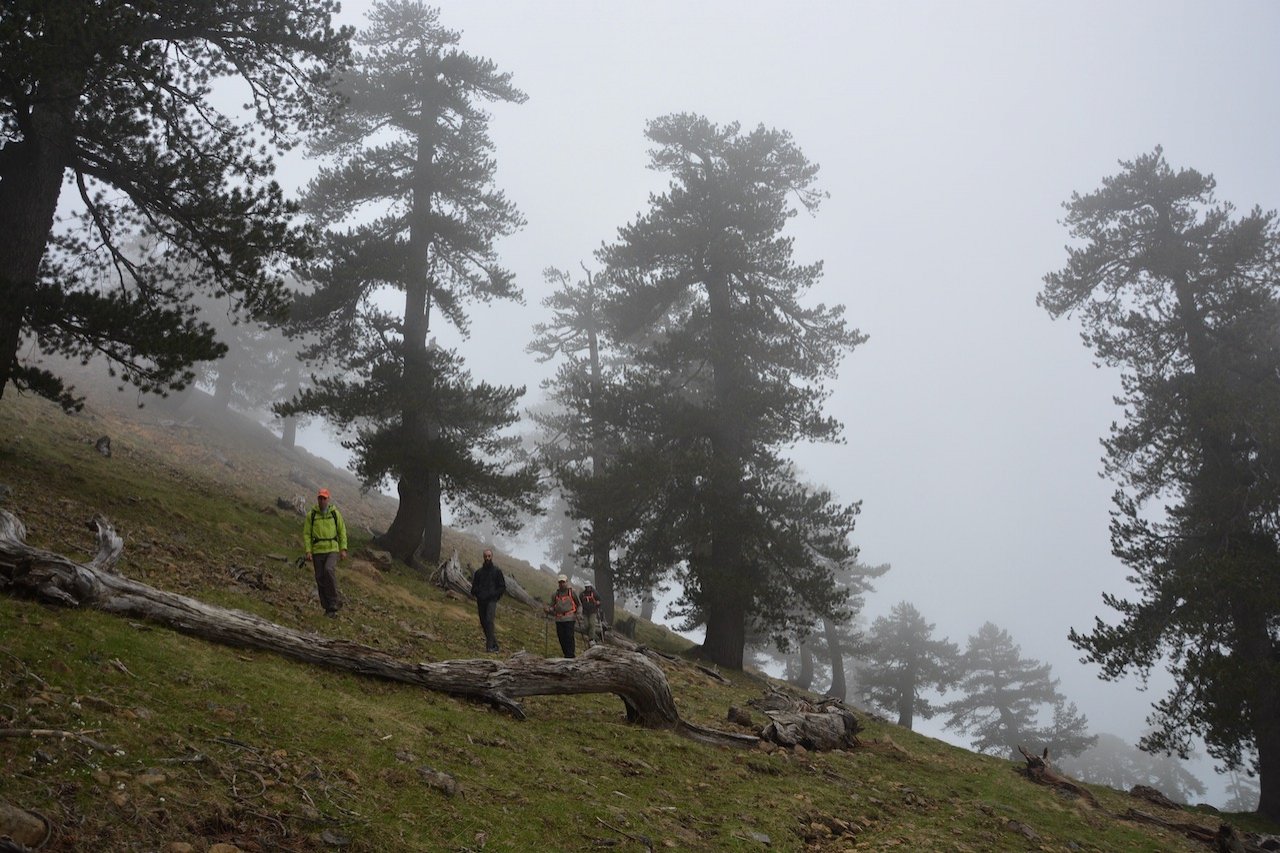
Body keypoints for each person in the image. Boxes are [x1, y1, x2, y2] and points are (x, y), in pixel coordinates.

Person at [303, 488, 348, 618]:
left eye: (324, 498)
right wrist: (308, 551)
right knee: (320, 578)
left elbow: (342, 531)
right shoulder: (311, 515)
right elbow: (306, 534)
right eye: (320, 498)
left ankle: (334, 600)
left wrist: (343, 548)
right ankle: (328, 608)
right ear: (317, 499)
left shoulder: (335, 514)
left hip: (332, 549)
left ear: (328, 499)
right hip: (317, 550)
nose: (322, 500)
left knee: (329, 570)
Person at [470, 548, 506, 653]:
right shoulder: (478, 573)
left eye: (489, 556)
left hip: (491, 601)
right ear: (483, 557)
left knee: (489, 621)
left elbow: (502, 587)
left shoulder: (497, 571)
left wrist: (494, 595)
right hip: (481, 601)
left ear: (492, 557)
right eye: (485, 556)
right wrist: (478, 593)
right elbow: (474, 588)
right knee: (483, 622)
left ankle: (489, 647)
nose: (487, 558)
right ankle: (494, 645)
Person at [546, 574, 580, 658]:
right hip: (559, 619)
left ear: (566, 582)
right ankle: (566, 654)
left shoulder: (572, 592)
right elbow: (552, 606)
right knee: (561, 638)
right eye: (560, 582)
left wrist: (578, 614)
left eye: (563, 582)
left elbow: (579, 605)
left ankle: (570, 655)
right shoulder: (555, 594)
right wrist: (549, 609)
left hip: (570, 618)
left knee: (569, 637)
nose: (561, 584)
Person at [580, 583, 604, 647]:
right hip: (585, 612)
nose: (588, 588)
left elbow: (600, 600)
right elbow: (581, 601)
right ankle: (595, 637)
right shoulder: (582, 594)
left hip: (593, 611)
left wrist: (598, 603)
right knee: (587, 625)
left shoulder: (595, 593)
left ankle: (591, 639)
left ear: (590, 587)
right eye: (586, 587)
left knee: (592, 624)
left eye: (589, 587)